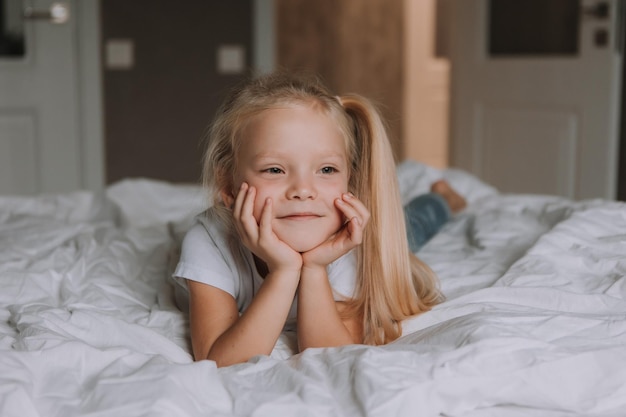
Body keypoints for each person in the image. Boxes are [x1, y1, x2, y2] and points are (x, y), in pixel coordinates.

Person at [173, 71, 465, 367]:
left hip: (373, 236)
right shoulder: (210, 239)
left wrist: (314, 268)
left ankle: (444, 198)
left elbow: (332, 354)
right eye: (274, 170)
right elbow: (219, 359)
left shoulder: (350, 242)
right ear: (227, 186)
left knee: (413, 224)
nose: (303, 190)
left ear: (349, 180)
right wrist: (283, 271)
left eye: (326, 170)